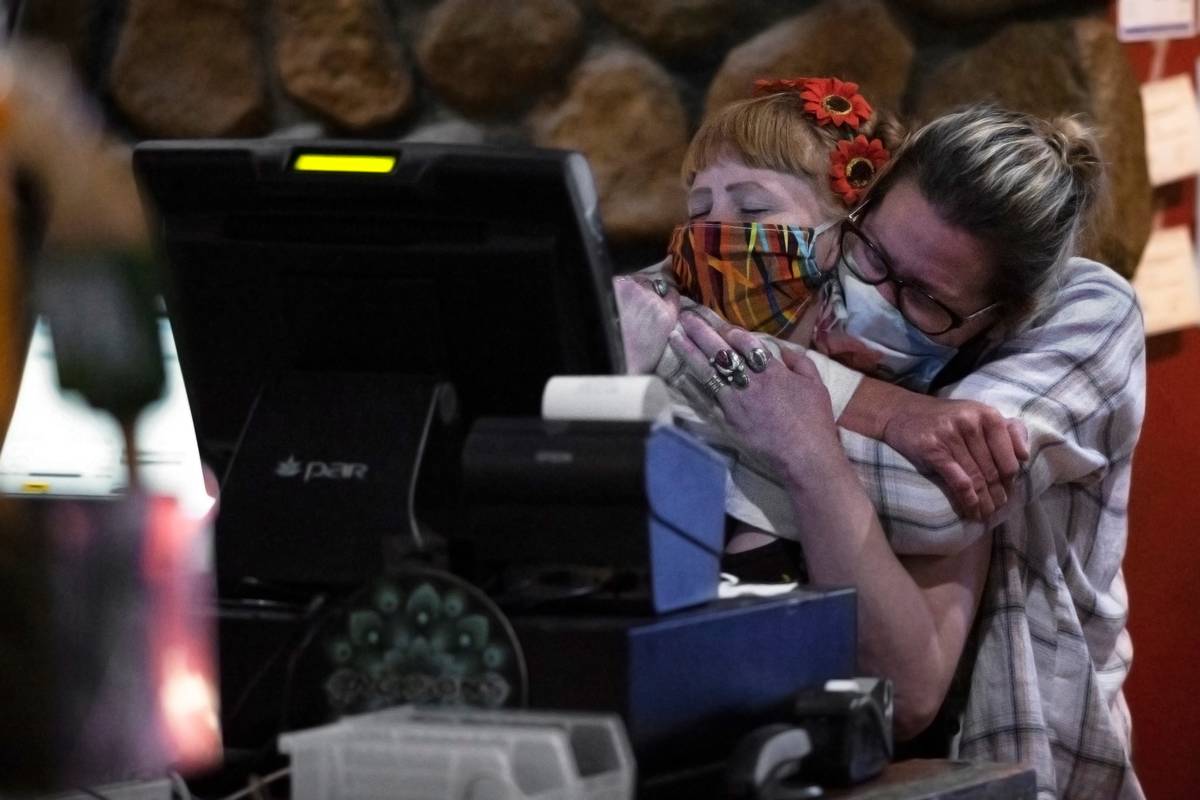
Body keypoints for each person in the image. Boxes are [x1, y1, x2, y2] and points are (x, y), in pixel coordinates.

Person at [666, 105, 1145, 799]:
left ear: (995, 323)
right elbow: (642, 308)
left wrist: (793, 437)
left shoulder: (1054, 328)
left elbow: (937, 498)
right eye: (873, 255)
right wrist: (881, 411)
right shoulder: (806, 300)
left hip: (1013, 761)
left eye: (922, 296)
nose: (873, 297)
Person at [616, 78, 1028, 581]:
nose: (711, 231)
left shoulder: (903, 379)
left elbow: (941, 510)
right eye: (699, 209)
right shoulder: (652, 314)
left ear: (844, 237)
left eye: (753, 210)